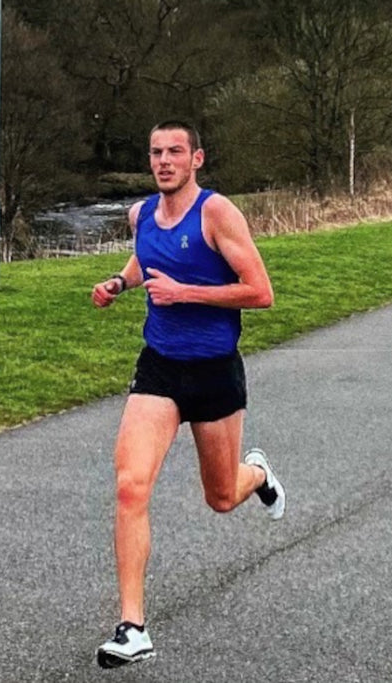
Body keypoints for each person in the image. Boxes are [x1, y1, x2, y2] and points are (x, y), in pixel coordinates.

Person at [90, 120, 284, 669]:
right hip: (160, 368)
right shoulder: (141, 215)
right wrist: (121, 283)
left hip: (215, 371)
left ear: (196, 158)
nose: (164, 160)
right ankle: (132, 627)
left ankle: (260, 475)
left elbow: (261, 291)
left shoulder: (217, 214)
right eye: (155, 152)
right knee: (130, 485)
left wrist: (184, 293)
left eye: (175, 151)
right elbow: (145, 257)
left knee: (222, 497)